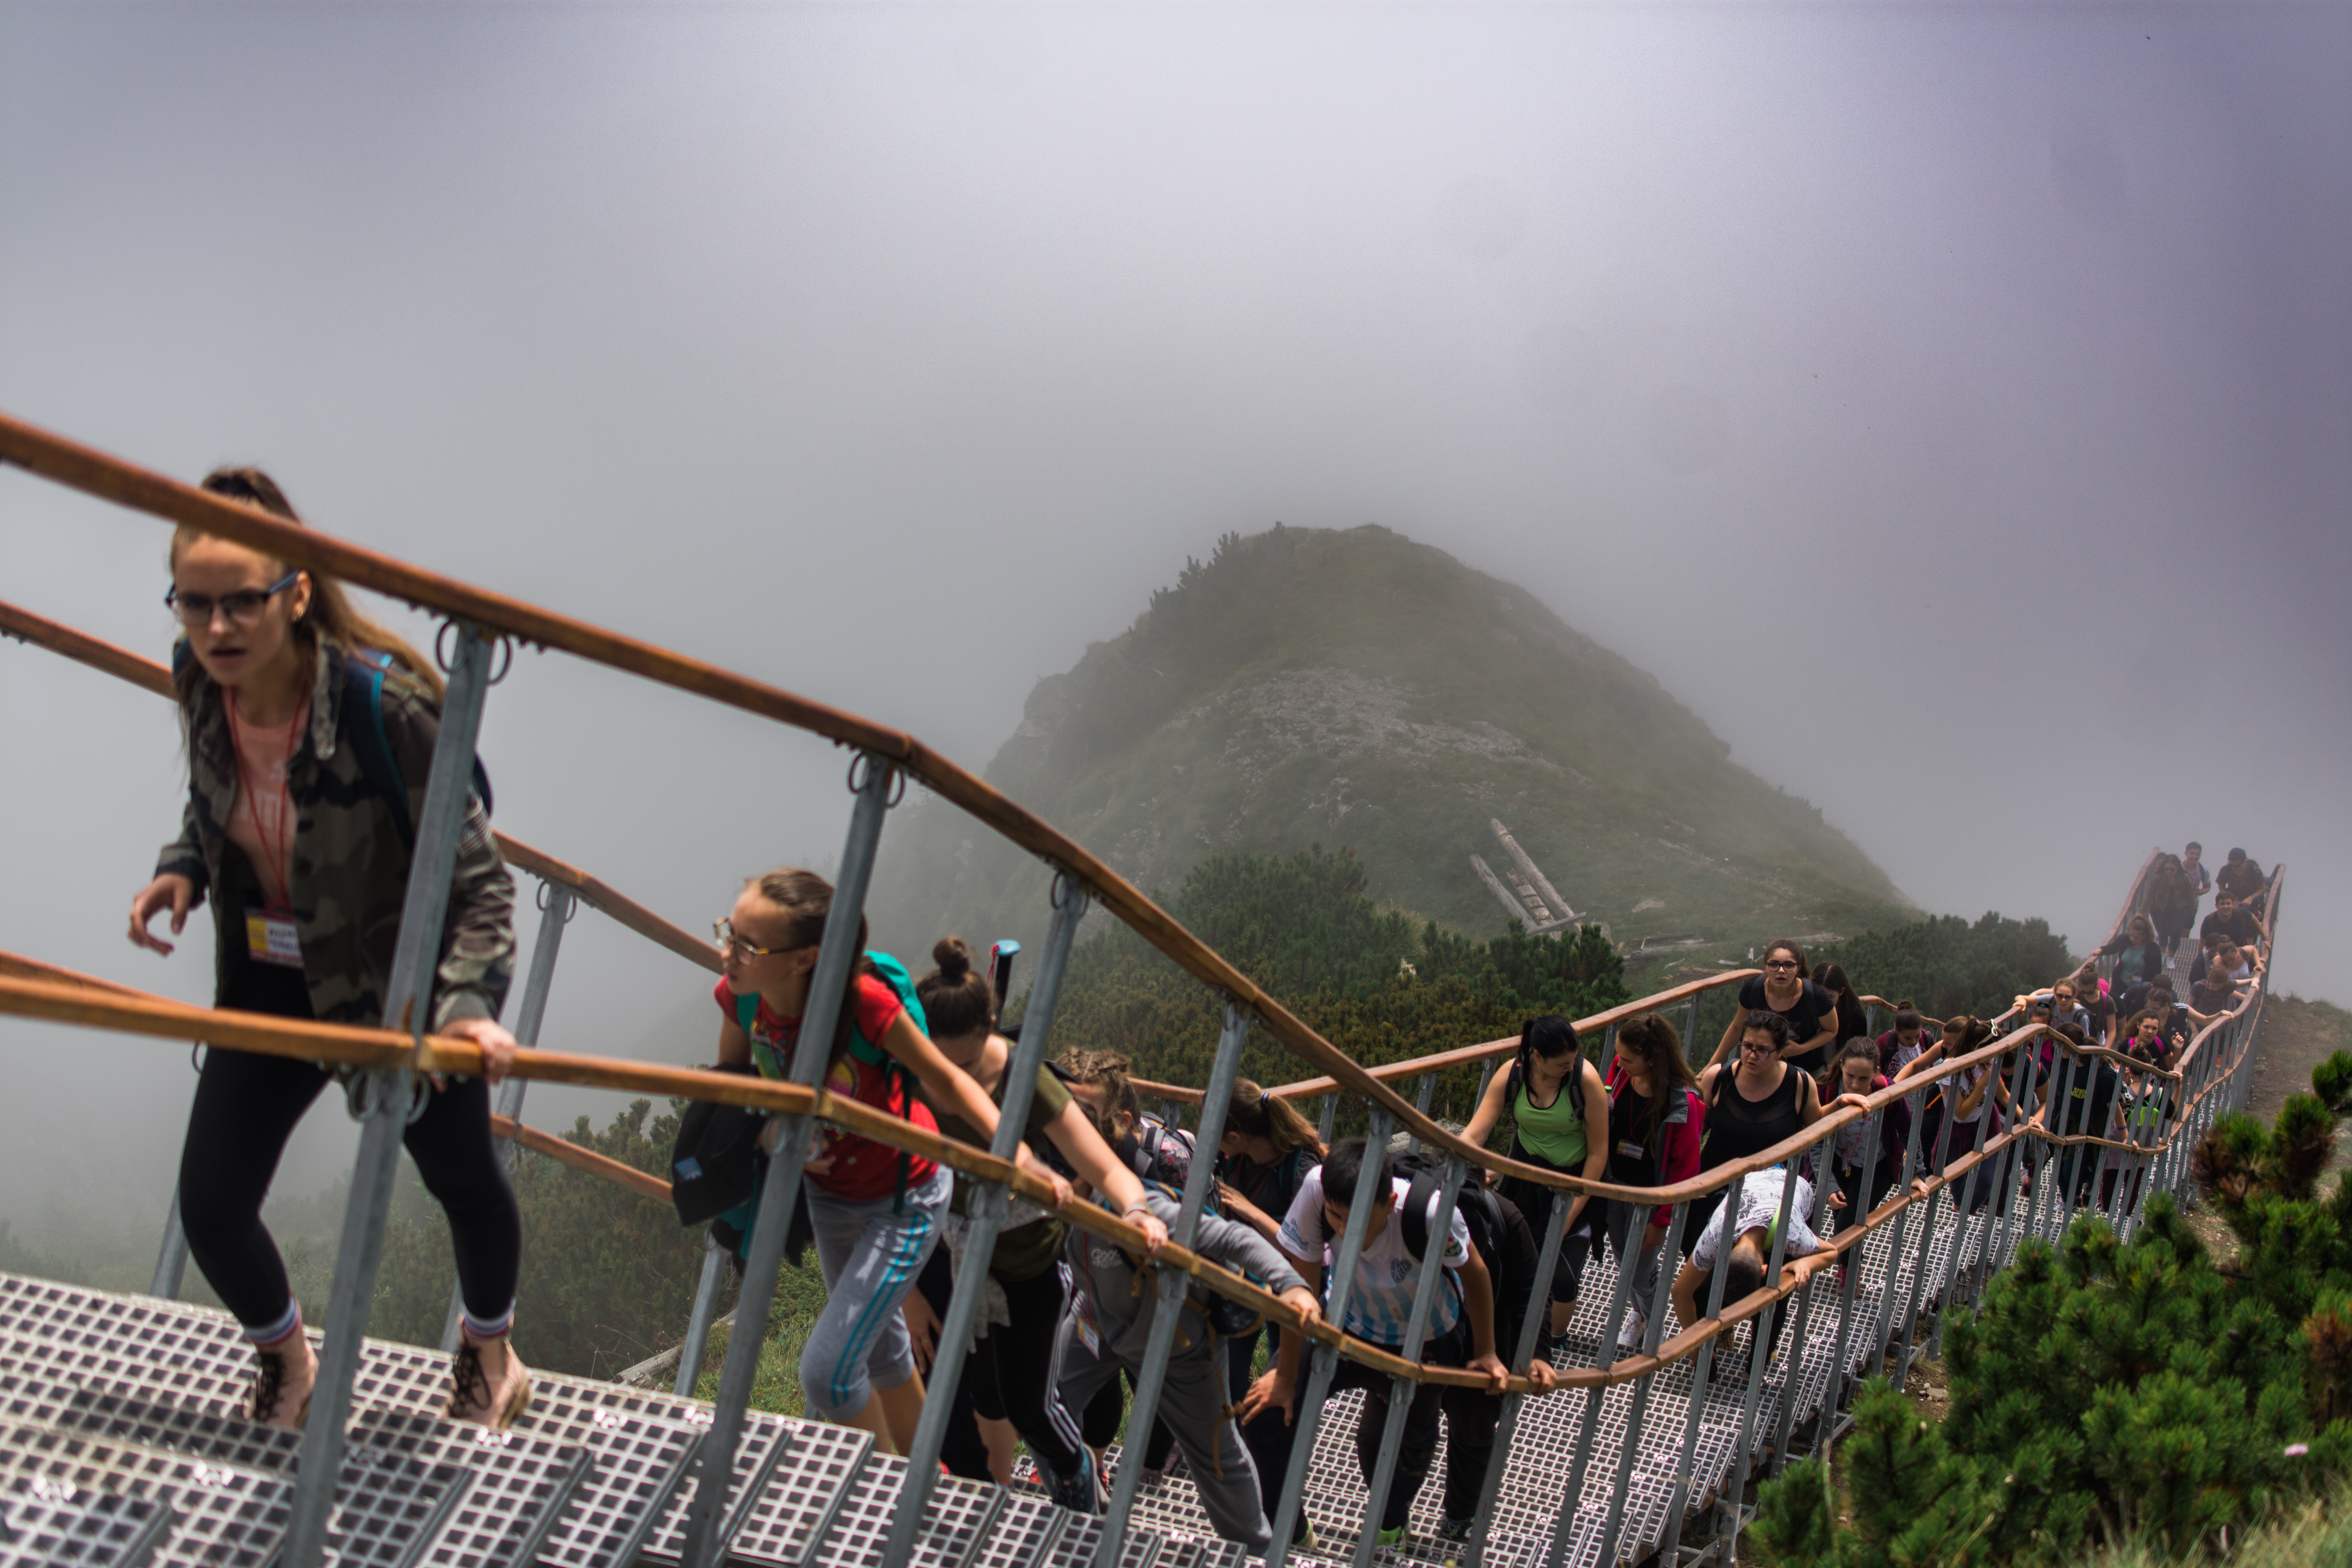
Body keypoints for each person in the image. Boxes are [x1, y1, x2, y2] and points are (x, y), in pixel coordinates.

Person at [127, 468, 527, 1431]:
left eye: (241, 602)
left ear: (296, 591)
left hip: (396, 988)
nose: (217, 627)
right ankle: (289, 1360)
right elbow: (213, 791)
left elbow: (481, 881)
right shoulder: (201, 678)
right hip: (268, 981)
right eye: (195, 603)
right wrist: (184, 865)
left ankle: (491, 1351)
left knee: (463, 1179)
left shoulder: (386, 711)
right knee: (213, 1202)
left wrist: (467, 1005)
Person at [712, 873, 1069, 1461]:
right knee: (880, 1354)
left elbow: (948, 1079)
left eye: (749, 945)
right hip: (829, 1193)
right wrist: (767, 1128)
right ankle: (930, 1490)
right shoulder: (740, 996)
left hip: (907, 1197)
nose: (729, 953)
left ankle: (884, 1500)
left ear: (804, 960)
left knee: (828, 1372)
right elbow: (730, 1089)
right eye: (730, 932)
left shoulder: (864, 1004)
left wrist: (1019, 1155)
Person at [907, 938, 1171, 1512]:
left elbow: (1100, 1164)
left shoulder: (1025, 1078)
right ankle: (987, 1503)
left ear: (991, 1034)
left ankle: (1081, 1493)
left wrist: (1138, 1210)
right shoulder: (908, 1073)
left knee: (1031, 1406)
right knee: (972, 1394)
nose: (958, 1084)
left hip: (1030, 1266)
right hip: (955, 1259)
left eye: (970, 1066)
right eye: (941, 1067)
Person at [1239, 1136, 1510, 1551]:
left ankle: (1390, 1524)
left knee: (1401, 1443)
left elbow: (1474, 1274)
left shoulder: (1431, 1213)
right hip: (1345, 1321)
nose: (1345, 1230)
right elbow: (1301, 1287)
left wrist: (1486, 1352)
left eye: (1359, 1219)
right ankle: (1290, 1533)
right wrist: (1287, 1375)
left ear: (1388, 1203)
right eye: (1337, 1217)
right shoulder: (1317, 1188)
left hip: (1425, 1337)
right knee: (1265, 1416)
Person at [1054, 1133, 1318, 1551]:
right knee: (1042, 1403)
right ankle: (1080, 1491)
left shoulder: (1144, 1205)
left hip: (1178, 1346)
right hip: (1101, 1322)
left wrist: (1292, 1286)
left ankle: (1258, 1549)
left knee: (1216, 1458)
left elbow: (1236, 1238)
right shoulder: (1062, 1201)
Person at [1463, 1016, 1609, 1361]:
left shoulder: (1583, 1081)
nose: (1570, 1067)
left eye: (1573, 1060)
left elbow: (1599, 1152)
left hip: (1574, 1182)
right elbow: (1475, 1134)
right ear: (1537, 1057)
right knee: (1506, 1260)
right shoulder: (1512, 1075)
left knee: (1560, 1278)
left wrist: (1574, 1209)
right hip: (1524, 1178)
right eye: (1562, 1063)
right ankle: (1503, 1336)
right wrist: (1462, 1167)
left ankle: (1552, 1343)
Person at [1597, 1015, 1707, 1352]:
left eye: (1629, 1059)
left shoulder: (1682, 1102)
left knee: (1640, 1271)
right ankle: (1643, 1318)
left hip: (1650, 1197)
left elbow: (1684, 1167)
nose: (1621, 1063)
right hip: (1615, 1186)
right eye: (1620, 1057)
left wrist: (1661, 1221)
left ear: (1653, 1059)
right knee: (1621, 1258)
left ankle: (1655, 1327)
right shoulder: (1622, 1073)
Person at [1691, 1012, 1828, 1281]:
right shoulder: (1718, 1078)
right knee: (1705, 1279)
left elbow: (1817, 1130)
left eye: (1763, 1050)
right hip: (1712, 1190)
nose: (1752, 1055)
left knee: (1767, 1282)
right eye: (1747, 1046)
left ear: (1780, 1052)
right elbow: (1699, 1129)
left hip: (1770, 1205)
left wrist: (1841, 1105)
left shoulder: (1799, 1084)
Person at [1215, 1079, 1327, 1403]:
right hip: (1242, 1275)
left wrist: (1249, 1212)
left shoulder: (1303, 1169)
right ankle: (1229, 1429)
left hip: (1288, 1281)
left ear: (1236, 1137)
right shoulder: (1234, 1158)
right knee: (1229, 1371)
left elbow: (1303, 1249)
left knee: (1284, 1366)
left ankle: (1274, 1424)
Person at [1668, 1162, 1834, 1366]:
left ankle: (1757, 1364)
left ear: (1765, 1270)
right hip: (1754, 1185)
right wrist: (1694, 1349)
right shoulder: (1717, 1234)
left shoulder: (1794, 1236)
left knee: (1776, 1295)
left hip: (1792, 1193)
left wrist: (1807, 1263)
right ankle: (1712, 1341)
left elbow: (1832, 1252)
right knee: (1701, 1291)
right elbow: (1680, 1293)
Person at [1893, 1016, 2007, 1210]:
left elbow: (2004, 1096)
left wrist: (2028, 1117)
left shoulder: (1986, 1061)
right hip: (1953, 1118)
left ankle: (1965, 1211)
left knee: (1986, 1179)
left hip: (1983, 1120)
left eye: (1949, 1043)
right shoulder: (1948, 1056)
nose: (1944, 1046)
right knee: (1952, 1176)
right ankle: (1959, 1209)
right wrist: (1892, 1088)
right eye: (1943, 1042)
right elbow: (1916, 1066)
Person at [1710, 940, 1840, 1076]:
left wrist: (1801, 1049)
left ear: (1798, 969)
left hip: (1806, 1071)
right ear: (1765, 967)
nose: (1781, 971)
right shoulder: (1753, 990)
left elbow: (1831, 1029)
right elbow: (1737, 1027)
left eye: (1789, 965)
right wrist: (1713, 1065)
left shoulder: (1815, 996)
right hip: (1762, 1068)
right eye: (1774, 965)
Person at [1822, 1039, 1910, 1222]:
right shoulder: (1827, 1091)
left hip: (1877, 1167)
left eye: (1864, 1078)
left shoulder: (1887, 1091)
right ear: (1841, 1066)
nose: (1855, 1084)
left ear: (1876, 1071)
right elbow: (1815, 1140)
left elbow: (1909, 1130)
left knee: (1846, 1226)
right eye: (1850, 1075)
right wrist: (1828, 1183)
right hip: (1840, 1164)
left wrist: (1917, 1174)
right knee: (1844, 1222)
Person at [2143, 855, 2200, 963]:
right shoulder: (2158, 877)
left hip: (2181, 908)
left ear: (2177, 868)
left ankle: (2170, 957)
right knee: (2163, 932)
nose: (2169, 872)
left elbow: (2191, 897)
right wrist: (2141, 912)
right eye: (2166, 869)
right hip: (2163, 907)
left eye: (2172, 869)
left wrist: (2193, 912)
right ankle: (2163, 954)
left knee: (2176, 932)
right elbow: (2149, 896)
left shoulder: (2184, 878)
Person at [2097, 914, 2167, 995]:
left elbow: (2157, 973)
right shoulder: (2125, 939)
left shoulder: (2153, 950)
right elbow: (2114, 947)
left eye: (2137, 938)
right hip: (2120, 983)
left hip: (2141, 988)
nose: (2133, 939)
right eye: (2131, 935)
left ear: (2145, 936)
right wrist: (2101, 950)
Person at [1811, 962, 1869, 1046]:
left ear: (1842, 992)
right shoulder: (1803, 1006)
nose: (1821, 1003)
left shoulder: (1855, 1017)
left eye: (1829, 998)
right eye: (1817, 996)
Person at [2199, 891, 2264, 954]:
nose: (2226, 907)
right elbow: (2203, 940)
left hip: (2239, 953)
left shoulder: (2241, 913)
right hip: (2219, 955)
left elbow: (2254, 920)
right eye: (2222, 904)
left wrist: (2265, 938)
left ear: (2233, 905)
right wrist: (2199, 956)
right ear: (2217, 906)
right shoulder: (2210, 919)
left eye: (2228, 904)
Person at [2216, 848, 2269, 916]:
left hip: (2251, 904)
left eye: (2237, 866)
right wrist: (2230, 899)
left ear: (2244, 861)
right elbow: (2221, 887)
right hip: (2233, 904)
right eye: (2232, 865)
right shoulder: (2226, 870)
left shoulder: (2254, 871)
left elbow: (2263, 889)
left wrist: (2251, 898)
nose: (2234, 868)